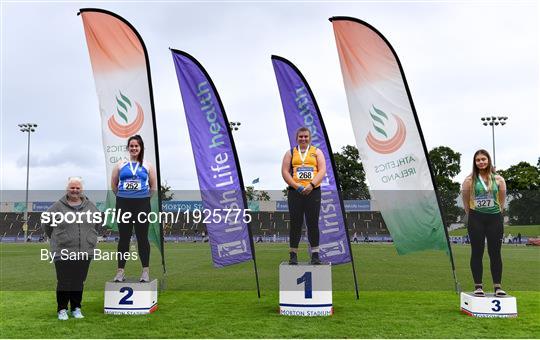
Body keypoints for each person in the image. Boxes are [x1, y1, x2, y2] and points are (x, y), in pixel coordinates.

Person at [41, 177, 99, 320]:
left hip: (85, 251)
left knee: (78, 281)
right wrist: (59, 237)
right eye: (72, 188)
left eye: (77, 188)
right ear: (67, 189)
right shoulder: (57, 206)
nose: (75, 190)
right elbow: (46, 223)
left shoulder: (90, 206)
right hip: (63, 251)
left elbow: (97, 222)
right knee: (64, 281)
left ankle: (76, 308)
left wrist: (90, 236)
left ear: (82, 189)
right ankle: (62, 309)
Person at [111, 135, 157, 283]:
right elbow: (114, 185)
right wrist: (124, 196)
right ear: (128, 148)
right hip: (123, 204)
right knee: (124, 238)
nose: (134, 148)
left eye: (136, 146)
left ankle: (145, 271)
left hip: (142, 205)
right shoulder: (120, 164)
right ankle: (120, 272)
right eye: (131, 146)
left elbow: (153, 187)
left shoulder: (148, 165)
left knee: (142, 238)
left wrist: (142, 198)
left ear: (141, 147)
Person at [462, 149, 507, 297]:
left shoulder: (499, 179)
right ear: (474, 163)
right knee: (477, 252)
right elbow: (466, 201)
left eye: (483, 159)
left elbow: (501, 201)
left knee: (495, 252)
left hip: (494, 218)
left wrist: (496, 212)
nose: (481, 162)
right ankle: (478, 286)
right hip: (476, 218)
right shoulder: (469, 180)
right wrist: (473, 215)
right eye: (478, 160)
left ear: (488, 160)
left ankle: (497, 286)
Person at [281, 127, 327, 265]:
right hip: (295, 192)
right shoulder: (290, 153)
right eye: (301, 136)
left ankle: (315, 255)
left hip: (313, 191)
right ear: (297, 138)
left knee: (312, 223)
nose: (303, 139)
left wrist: (312, 185)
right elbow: (284, 172)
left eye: (306, 136)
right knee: (296, 223)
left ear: (309, 138)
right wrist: (297, 186)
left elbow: (322, 170)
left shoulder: (317, 152)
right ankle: (293, 255)